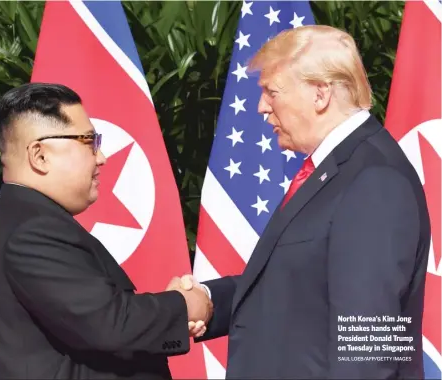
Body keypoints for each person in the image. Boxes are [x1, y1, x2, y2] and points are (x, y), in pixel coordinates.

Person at [178, 25, 431, 379]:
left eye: (272, 91)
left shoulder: (375, 180)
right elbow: (292, 286)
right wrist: (206, 300)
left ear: (320, 93)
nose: (261, 107)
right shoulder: (336, 169)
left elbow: (368, 348)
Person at [0, 82, 212, 379]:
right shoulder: (32, 230)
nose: (101, 157)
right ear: (40, 155)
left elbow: (96, 322)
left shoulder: (22, 219)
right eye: (89, 141)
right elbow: (110, 324)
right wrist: (184, 306)